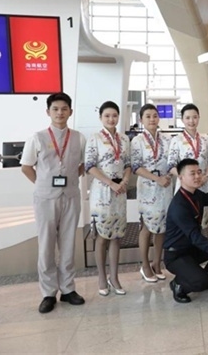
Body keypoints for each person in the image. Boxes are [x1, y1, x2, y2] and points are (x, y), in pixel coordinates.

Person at [20, 92, 87, 313]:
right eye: (55, 109)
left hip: (70, 196)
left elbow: (83, 165)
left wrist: (71, 179)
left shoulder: (78, 138)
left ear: (70, 112)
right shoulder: (37, 137)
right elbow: (26, 167)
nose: (60, 113)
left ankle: (68, 289)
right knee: (46, 245)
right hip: (45, 198)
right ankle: (48, 293)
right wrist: (43, 184)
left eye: (64, 109)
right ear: (48, 112)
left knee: (68, 243)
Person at [163, 159, 208, 303]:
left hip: (192, 248)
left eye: (199, 172)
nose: (197, 176)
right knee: (200, 282)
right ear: (181, 177)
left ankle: (206, 278)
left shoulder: (194, 194)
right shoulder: (179, 205)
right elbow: (195, 236)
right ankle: (179, 284)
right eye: (192, 174)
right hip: (176, 255)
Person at [85, 101, 131, 296]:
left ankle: (115, 277)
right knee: (102, 236)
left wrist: (125, 181)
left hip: (120, 192)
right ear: (101, 118)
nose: (111, 119)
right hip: (102, 192)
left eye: (114, 115)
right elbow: (89, 166)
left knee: (117, 235)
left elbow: (128, 164)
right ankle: (102, 277)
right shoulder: (94, 138)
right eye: (107, 116)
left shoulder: (124, 139)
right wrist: (110, 183)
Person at [131, 104, 174, 283]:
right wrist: (157, 179)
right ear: (141, 119)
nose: (152, 119)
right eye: (147, 116)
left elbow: (173, 161)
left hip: (165, 187)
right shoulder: (137, 141)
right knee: (147, 226)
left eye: (154, 115)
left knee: (162, 226)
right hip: (148, 188)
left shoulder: (167, 139)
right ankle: (145, 265)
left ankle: (157, 263)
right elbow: (136, 167)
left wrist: (168, 176)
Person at [168, 104, 208, 227]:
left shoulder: (205, 139)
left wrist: (206, 176)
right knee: (185, 222)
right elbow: (171, 166)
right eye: (187, 118)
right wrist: (185, 178)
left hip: (202, 184)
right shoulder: (176, 140)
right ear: (182, 119)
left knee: (201, 221)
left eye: (194, 117)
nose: (191, 121)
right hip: (185, 186)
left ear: (199, 118)